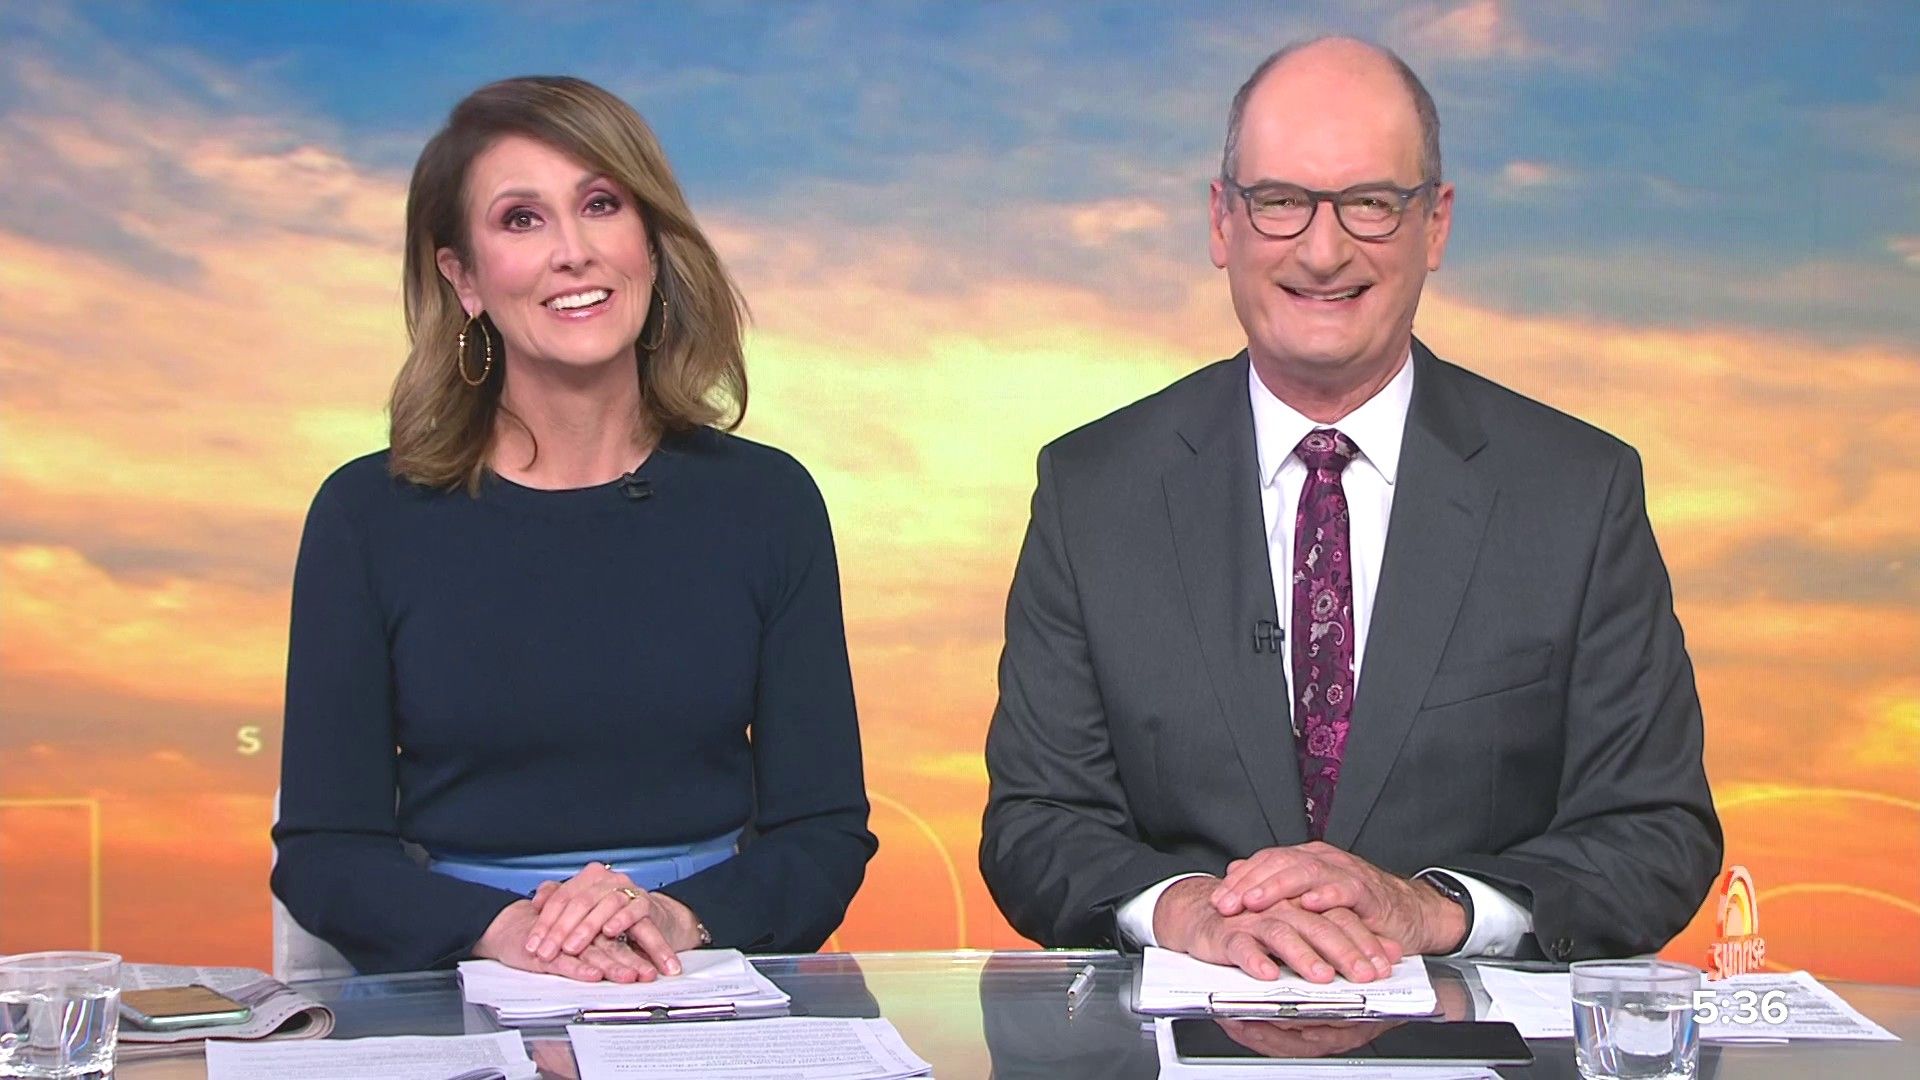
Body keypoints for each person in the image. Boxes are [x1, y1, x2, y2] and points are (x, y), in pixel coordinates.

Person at [979, 37, 1721, 981]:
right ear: (1221, 221)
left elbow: (1656, 829)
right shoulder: (1092, 491)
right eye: (1279, 201)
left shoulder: (1577, 492)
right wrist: (1192, 911)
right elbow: (1037, 825)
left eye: (1370, 203)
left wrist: (1434, 910)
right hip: (1184, 1028)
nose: (1323, 252)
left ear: (1435, 225)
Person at [272, 76, 875, 980]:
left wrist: (670, 919)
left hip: (699, 965)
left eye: (600, 205)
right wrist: (510, 931)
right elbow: (326, 853)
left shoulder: (768, 501)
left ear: (651, 243)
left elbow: (822, 834)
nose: (573, 252)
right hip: (464, 969)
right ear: (463, 277)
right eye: (522, 219)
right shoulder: (367, 515)